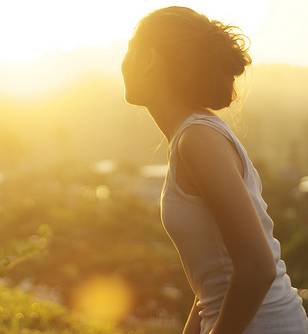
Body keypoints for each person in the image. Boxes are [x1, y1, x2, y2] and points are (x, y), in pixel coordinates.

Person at [121, 6, 308, 334]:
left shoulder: (198, 139)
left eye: (129, 49)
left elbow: (257, 267)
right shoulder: (193, 137)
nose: (123, 62)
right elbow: (215, 277)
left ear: (149, 59)